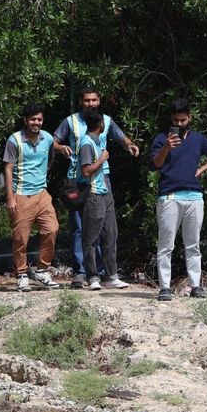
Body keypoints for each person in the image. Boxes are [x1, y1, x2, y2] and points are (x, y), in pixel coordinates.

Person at [53, 86, 139, 287]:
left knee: (105, 227)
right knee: (79, 227)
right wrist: (61, 148)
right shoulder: (71, 121)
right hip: (77, 180)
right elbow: (53, 141)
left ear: (99, 101)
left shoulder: (105, 120)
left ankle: (103, 272)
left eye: (94, 100)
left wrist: (130, 145)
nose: (91, 103)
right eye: (87, 100)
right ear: (81, 102)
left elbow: (120, 137)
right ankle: (81, 273)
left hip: (102, 179)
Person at [148, 98, 207, 301]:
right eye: (176, 120)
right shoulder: (161, 138)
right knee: (166, 244)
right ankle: (164, 287)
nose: (179, 124)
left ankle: (196, 285)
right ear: (171, 119)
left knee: (193, 244)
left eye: (183, 120)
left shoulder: (198, 139)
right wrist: (166, 147)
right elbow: (154, 164)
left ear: (189, 118)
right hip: (169, 196)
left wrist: (200, 170)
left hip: (194, 196)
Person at [2, 103, 71, 292]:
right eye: (33, 119)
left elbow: (52, 146)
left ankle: (42, 270)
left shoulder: (47, 137)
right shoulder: (14, 140)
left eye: (39, 119)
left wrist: (62, 148)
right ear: (25, 120)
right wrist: (10, 197)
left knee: (52, 228)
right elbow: (7, 168)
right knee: (20, 238)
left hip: (42, 194)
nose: (36, 123)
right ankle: (22, 274)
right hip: (21, 194)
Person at [76, 108, 128, 291]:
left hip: (105, 192)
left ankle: (111, 275)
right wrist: (103, 158)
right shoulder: (86, 143)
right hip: (93, 194)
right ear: (101, 124)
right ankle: (92, 276)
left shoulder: (97, 141)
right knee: (91, 237)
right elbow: (86, 170)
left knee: (110, 234)